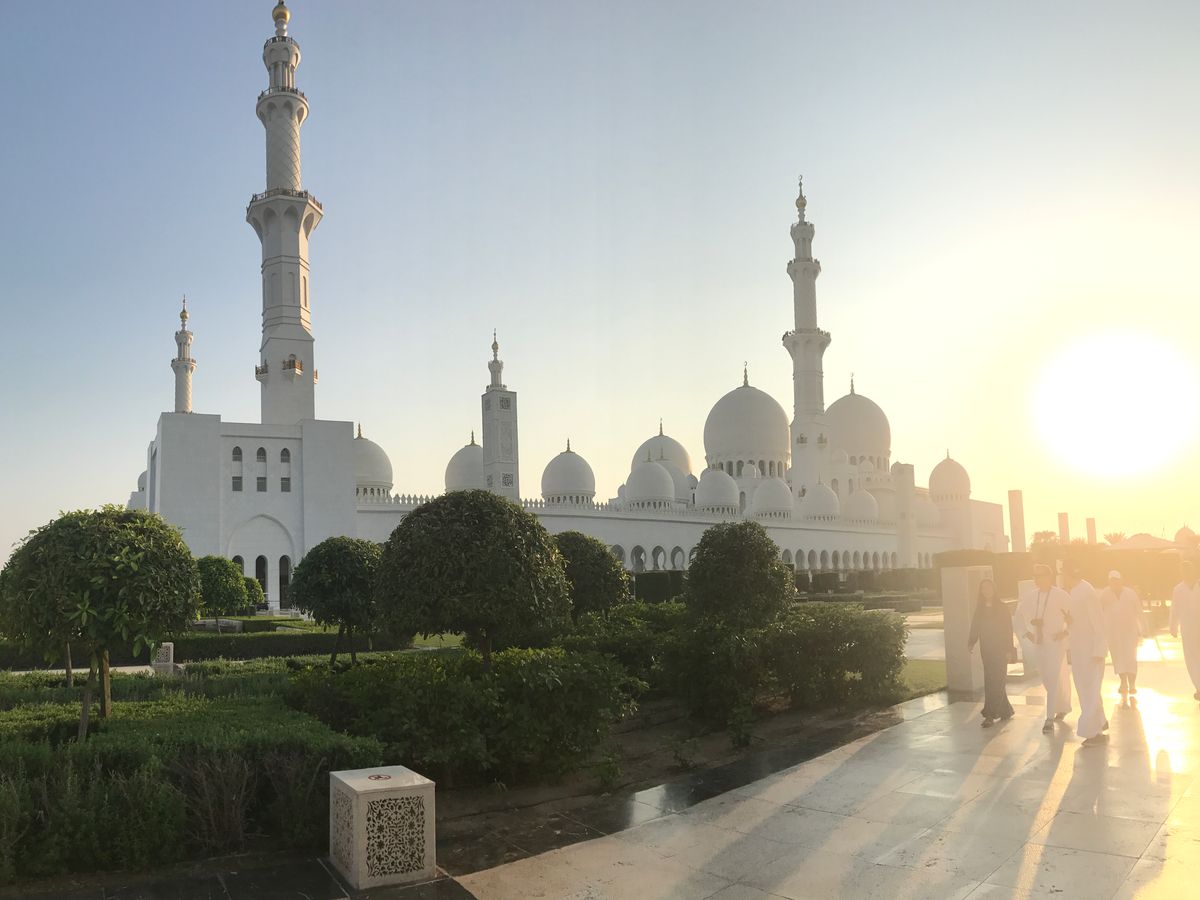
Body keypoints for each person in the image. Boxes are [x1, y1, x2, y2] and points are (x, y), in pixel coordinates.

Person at [1016, 563, 1072, 733]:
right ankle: (1062, 706)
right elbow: (1018, 616)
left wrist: (1066, 632)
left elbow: (1074, 616)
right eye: (1035, 576)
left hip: (1056, 643)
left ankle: (1049, 718)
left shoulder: (1061, 595)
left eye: (1040, 576)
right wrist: (1027, 633)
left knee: (1054, 677)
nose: (1037, 579)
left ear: (1049, 577)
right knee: (1047, 678)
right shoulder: (1031, 596)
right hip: (1039, 643)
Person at [1063, 566, 1109, 746]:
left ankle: (1092, 732)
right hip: (1080, 650)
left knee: (1089, 689)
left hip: (1090, 651)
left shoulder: (1086, 591)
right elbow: (1078, 621)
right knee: (1087, 688)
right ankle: (1100, 721)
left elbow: (1098, 620)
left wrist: (1099, 648)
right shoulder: (1075, 591)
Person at [968, 578, 1016, 727]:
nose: (986, 590)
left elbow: (1008, 629)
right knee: (990, 680)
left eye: (989, 587)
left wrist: (1009, 649)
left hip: (1001, 649)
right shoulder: (980, 608)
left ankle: (990, 714)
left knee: (998, 680)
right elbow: (975, 625)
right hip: (986, 649)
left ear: (994, 589)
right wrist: (971, 641)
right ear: (981, 592)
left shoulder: (1002, 607)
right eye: (983, 588)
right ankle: (1006, 710)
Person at [1100, 570, 1144, 695]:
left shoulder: (1130, 593)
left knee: (1131, 658)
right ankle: (1123, 682)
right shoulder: (1104, 594)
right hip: (1113, 633)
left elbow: (1139, 611)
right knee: (1118, 658)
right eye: (1112, 580)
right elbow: (1098, 611)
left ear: (1121, 580)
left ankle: (1132, 684)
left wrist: (1143, 629)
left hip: (1130, 631)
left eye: (1116, 580)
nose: (1114, 583)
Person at [1170, 560, 1200, 702]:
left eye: (1189, 570)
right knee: (1191, 658)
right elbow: (1174, 609)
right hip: (1187, 628)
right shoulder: (1178, 589)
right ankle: (1198, 686)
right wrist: (1173, 626)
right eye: (1184, 570)